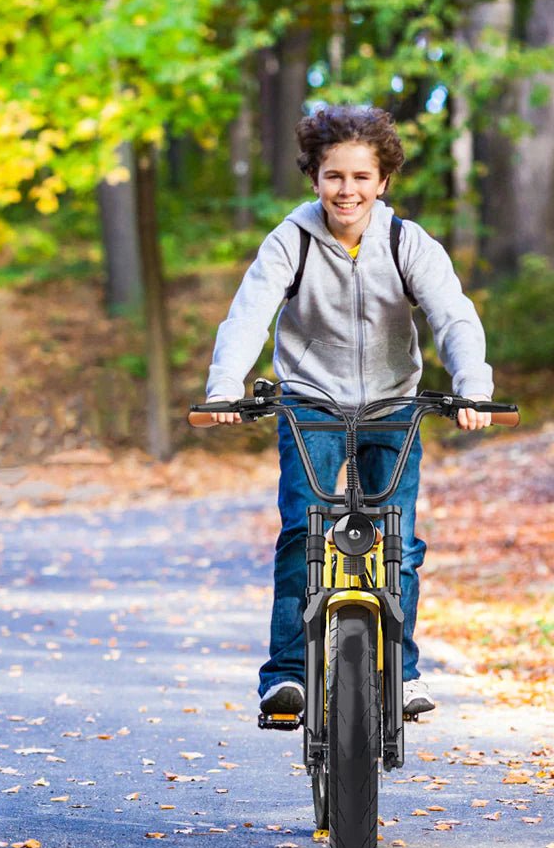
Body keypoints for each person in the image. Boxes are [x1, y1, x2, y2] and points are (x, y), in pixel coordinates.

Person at [203, 105, 495, 719]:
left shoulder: (405, 242)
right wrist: (225, 386)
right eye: (334, 176)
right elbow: (248, 314)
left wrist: (472, 387)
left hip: (393, 403)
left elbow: (453, 316)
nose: (347, 190)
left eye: (362, 177)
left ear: (382, 181)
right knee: (303, 529)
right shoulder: (291, 241)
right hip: (311, 401)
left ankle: (403, 672)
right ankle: (286, 678)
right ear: (315, 178)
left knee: (399, 540)